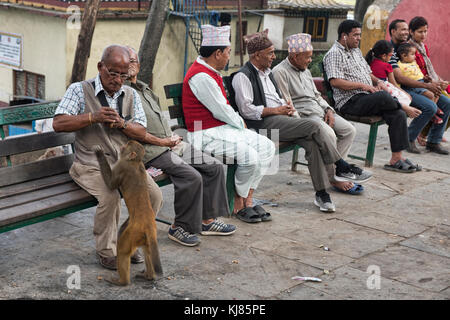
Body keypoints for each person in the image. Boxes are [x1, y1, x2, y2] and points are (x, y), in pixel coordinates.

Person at [232, 30, 372, 213]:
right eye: (270, 53)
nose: (274, 57)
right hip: (262, 124)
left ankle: (322, 194)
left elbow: (280, 98)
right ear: (257, 55)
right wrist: (278, 110)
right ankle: (341, 166)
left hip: (282, 118)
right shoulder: (243, 76)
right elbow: (247, 110)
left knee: (313, 142)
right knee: (315, 126)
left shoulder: (267, 73)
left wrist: (285, 107)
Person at [53, 45, 163, 270]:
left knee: (153, 196)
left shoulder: (131, 94)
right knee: (110, 197)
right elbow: (58, 123)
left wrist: (122, 124)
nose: (118, 79)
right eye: (113, 73)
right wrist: (92, 117)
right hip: (90, 165)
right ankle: (106, 251)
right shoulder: (79, 90)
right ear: (100, 67)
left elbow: (141, 131)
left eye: (123, 75)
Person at [125, 47, 236, 247]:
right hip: (152, 149)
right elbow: (130, 130)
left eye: (133, 61)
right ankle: (180, 227)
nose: (130, 65)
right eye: (126, 61)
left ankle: (206, 220)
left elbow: (158, 117)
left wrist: (170, 135)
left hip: (169, 143)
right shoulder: (122, 92)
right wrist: (163, 141)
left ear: (139, 65)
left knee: (214, 167)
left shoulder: (143, 88)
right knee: (191, 176)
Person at [182, 24, 276, 223]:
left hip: (222, 129)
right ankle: (237, 202)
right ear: (217, 53)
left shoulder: (210, 71)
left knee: (267, 146)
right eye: (228, 52)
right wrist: (239, 122)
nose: (228, 57)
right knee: (249, 156)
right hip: (204, 133)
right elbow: (220, 109)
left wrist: (237, 124)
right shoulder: (200, 76)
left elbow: (222, 110)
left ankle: (247, 198)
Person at [271, 33, 367, 197]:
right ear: (295, 56)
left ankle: (338, 172)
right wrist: (301, 126)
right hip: (304, 116)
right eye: (307, 57)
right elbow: (288, 104)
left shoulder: (305, 70)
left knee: (349, 130)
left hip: (319, 110)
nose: (310, 61)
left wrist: (328, 110)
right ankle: (334, 177)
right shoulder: (280, 72)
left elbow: (316, 96)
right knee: (328, 133)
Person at [323, 20, 421, 173]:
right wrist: (363, 85)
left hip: (366, 98)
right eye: (355, 35)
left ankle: (396, 158)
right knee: (383, 97)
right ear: (344, 36)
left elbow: (368, 74)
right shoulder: (334, 54)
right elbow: (335, 81)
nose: (359, 38)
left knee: (398, 114)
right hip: (350, 102)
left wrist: (378, 82)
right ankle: (402, 105)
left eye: (359, 35)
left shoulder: (355, 51)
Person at [388, 19, 450, 155]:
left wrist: (431, 81)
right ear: (393, 31)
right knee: (430, 106)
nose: (405, 32)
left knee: (447, 103)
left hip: (417, 85)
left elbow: (417, 70)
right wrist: (426, 85)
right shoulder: (391, 50)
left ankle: (433, 141)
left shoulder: (409, 48)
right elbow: (399, 78)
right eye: (403, 29)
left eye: (406, 29)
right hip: (401, 89)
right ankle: (408, 139)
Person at [407, 16, 450, 145]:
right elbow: (412, 72)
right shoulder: (408, 49)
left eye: (425, 31)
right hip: (417, 85)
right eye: (420, 32)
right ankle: (415, 136)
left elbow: (428, 67)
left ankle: (434, 139)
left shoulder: (423, 47)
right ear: (411, 32)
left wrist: (438, 80)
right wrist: (431, 83)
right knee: (437, 104)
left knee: (447, 102)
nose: (423, 34)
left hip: (428, 82)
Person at [365, 40, 421, 119]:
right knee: (406, 98)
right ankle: (405, 109)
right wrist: (405, 93)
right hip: (385, 87)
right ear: (384, 56)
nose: (391, 57)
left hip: (373, 89)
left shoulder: (370, 62)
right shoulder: (387, 66)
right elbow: (393, 83)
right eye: (391, 55)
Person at [396, 43, 442, 124]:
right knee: (430, 95)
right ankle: (433, 112)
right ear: (404, 55)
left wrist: (425, 78)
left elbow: (418, 72)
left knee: (437, 92)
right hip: (413, 86)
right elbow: (403, 79)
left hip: (421, 82)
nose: (415, 56)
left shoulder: (413, 62)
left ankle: (434, 109)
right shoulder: (399, 65)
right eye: (413, 54)